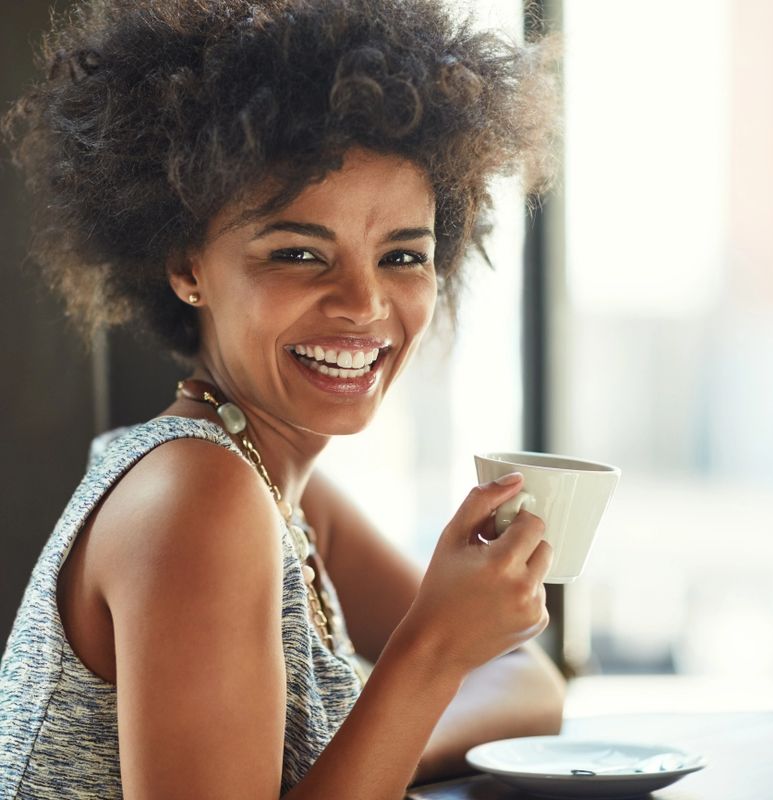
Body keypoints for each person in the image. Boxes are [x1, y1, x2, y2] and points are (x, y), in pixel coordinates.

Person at [0, 1, 564, 798]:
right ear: (187, 265)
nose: (365, 304)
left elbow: (525, 679)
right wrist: (431, 653)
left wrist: (421, 687)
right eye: (299, 252)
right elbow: (475, 673)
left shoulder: (281, 491)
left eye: (403, 254)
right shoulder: (197, 497)